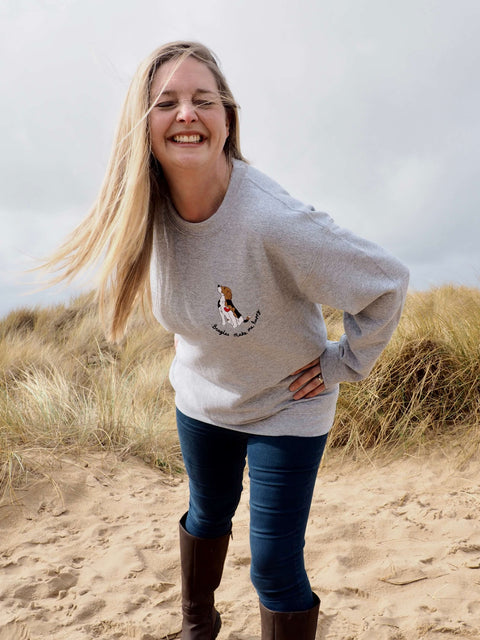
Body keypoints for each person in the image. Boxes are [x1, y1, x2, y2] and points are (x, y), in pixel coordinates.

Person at [43, 41, 409, 640]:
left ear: (227, 118)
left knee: (272, 565)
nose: (186, 113)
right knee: (207, 514)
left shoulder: (273, 221)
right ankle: (197, 626)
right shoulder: (144, 210)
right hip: (204, 399)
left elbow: (386, 283)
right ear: (144, 126)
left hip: (288, 403)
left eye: (202, 100)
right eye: (167, 102)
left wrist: (347, 362)